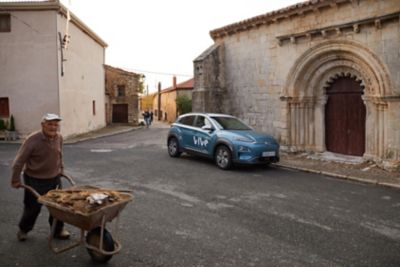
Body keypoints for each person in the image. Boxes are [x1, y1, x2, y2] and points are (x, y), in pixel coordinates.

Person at [11, 113, 70, 241]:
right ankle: (23, 230)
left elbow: (60, 155)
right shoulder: (33, 139)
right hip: (34, 179)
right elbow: (19, 161)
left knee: (58, 206)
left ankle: (57, 230)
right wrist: (15, 179)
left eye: (55, 124)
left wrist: (61, 170)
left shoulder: (59, 137)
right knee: (33, 208)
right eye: (50, 124)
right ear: (43, 125)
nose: (53, 127)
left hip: (54, 178)